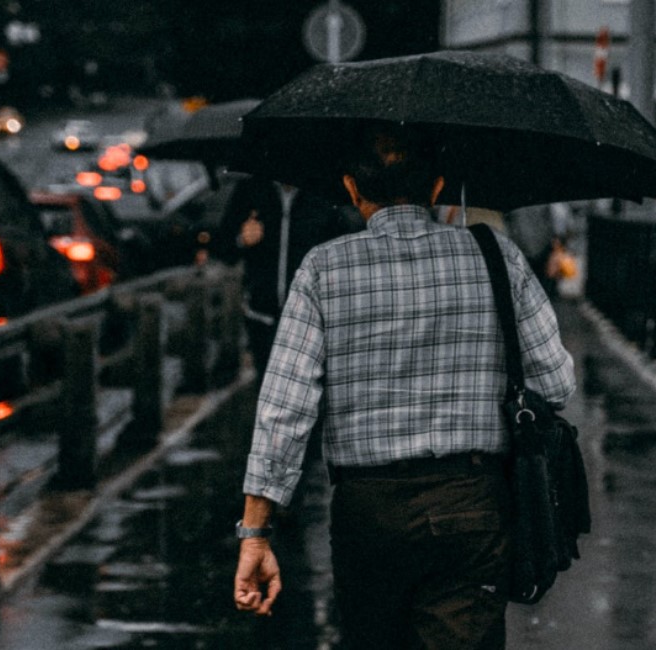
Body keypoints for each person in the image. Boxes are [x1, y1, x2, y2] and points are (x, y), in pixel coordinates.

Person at [232, 124, 576, 648]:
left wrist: (256, 532)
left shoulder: (323, 269)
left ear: (351, 188)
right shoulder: (496, 256)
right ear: (437, 187)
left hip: (368, 511)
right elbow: (556, 382)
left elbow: (285, 408)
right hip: (472, 502)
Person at [216, 175, 361, 378]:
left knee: (308, 392)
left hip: (310, 319)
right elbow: (224, 249)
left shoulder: (321, 195)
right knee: (269, 392)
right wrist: (242, 239)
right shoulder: (251, 190)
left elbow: (345, 247)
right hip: (263, 316)